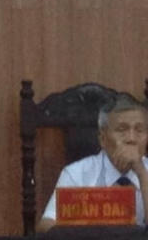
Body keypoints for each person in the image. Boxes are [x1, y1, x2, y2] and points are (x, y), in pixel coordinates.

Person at [37, 94, 148, 232]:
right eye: (122, 130)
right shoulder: (77, 174)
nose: (131, 139)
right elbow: (45, 226)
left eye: (139, 130)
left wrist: (142, 174)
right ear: (103, 139)